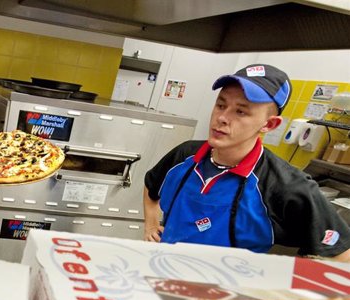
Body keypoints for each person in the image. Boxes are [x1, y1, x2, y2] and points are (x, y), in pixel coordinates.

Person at [143, 64, 350, 262]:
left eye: (240, 111)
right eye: (221, 105)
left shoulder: (284, 185)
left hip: (224, 294)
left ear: (269, 124)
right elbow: (151, 185)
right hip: (161, 270)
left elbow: (341, 252)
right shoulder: (185, 155)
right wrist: (151, 225)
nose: (222, 118)